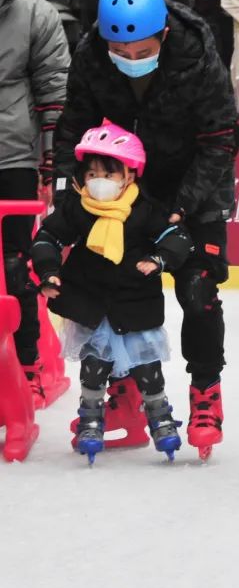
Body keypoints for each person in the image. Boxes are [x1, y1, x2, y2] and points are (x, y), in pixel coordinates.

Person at [53, 0, 239, 456]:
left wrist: (181, 207)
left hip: (195, 185)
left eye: (142, 50)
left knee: (199, 289)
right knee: (109, 282)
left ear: (162, 34)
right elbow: (74, 124)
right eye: (123, 52)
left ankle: (205, 393)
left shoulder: (197, 55)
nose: (132, 61)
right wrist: (67, 193)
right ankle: (122, 390)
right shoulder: (93, 55)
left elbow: (221, 138)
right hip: (124, 183)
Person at [30, 121, 193, 464]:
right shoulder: (76, 209)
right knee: (94, 365)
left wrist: (160, 259)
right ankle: (91, 417)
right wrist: (48, 273)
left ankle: (159, 414)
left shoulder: (145, 210)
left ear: (129, 176)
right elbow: (47, 238)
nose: (99, 182)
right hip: (91, 302)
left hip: (135, 303)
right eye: (91, 175)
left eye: (109, 174)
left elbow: (176, 238)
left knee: (147, 367)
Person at [0, 0, 70, 406]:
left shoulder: (35, 14)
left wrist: (50, 166)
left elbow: (54, 96)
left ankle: (27, 364)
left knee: (16, 267)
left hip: (13, 161)